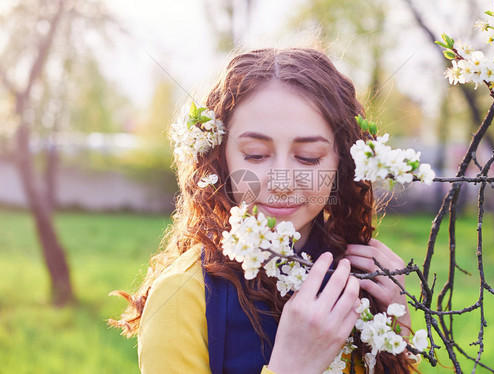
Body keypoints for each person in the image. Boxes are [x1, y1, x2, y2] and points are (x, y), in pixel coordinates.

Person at [111, 48, 420, 373]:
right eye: (256, 155)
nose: (282, 182)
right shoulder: (184, 297)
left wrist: (396, 336)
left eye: (309, 157)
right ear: (220, 157)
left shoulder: (358, 280)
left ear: (341, 163)